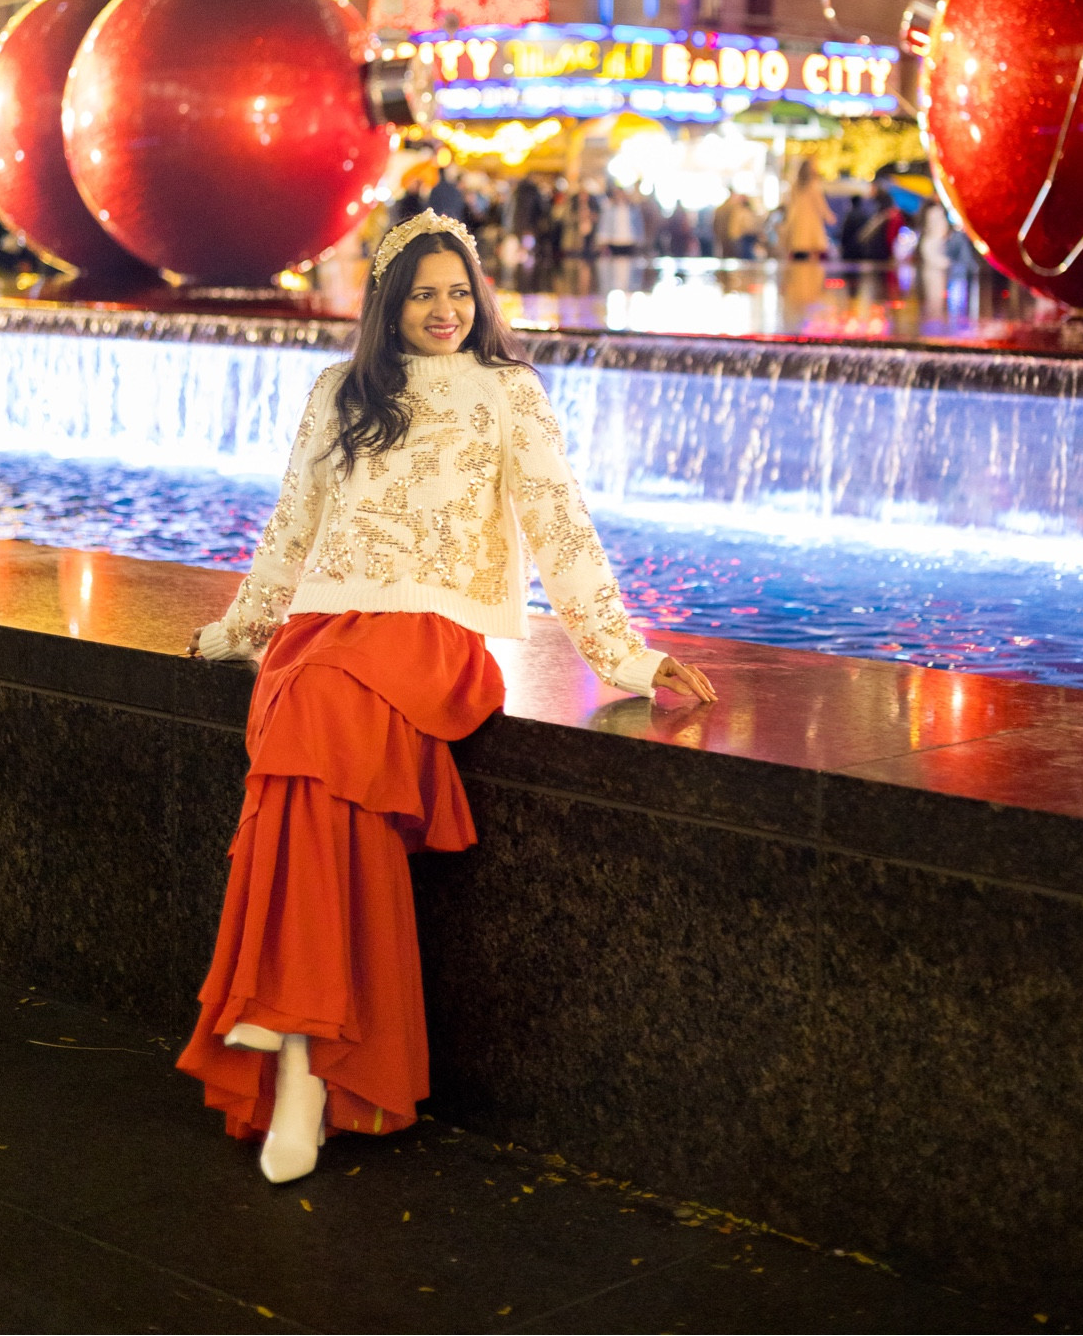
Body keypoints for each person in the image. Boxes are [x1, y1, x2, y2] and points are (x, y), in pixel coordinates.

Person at [178, 212, 715, 1185]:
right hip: (325, 629)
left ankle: (289, 1033)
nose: (444, 309)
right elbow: (290, 530)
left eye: (459, 292)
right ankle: (303, 1058)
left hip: (431, 638)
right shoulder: (338, 392)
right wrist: (238, 631)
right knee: (300, 720)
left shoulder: (507, 394)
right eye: (423, 292)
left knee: (310, 720)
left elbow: (561, 529)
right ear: (389, 302)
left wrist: (626, 657)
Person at [779, 159, 834, 260]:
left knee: (799, 246)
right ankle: (809, 271)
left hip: (797, 220)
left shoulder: (795, 185)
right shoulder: (813, 185)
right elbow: (820, 204)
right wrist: (829, 216)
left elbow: (790, 203)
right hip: (810, 221)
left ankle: (799, 270)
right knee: (811, 248)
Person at [838, 192, 872, 262]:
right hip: (860, 250)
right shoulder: (864, 215)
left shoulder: (849, 216)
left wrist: (842, 246)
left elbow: (845, 233)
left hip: (849, 250)